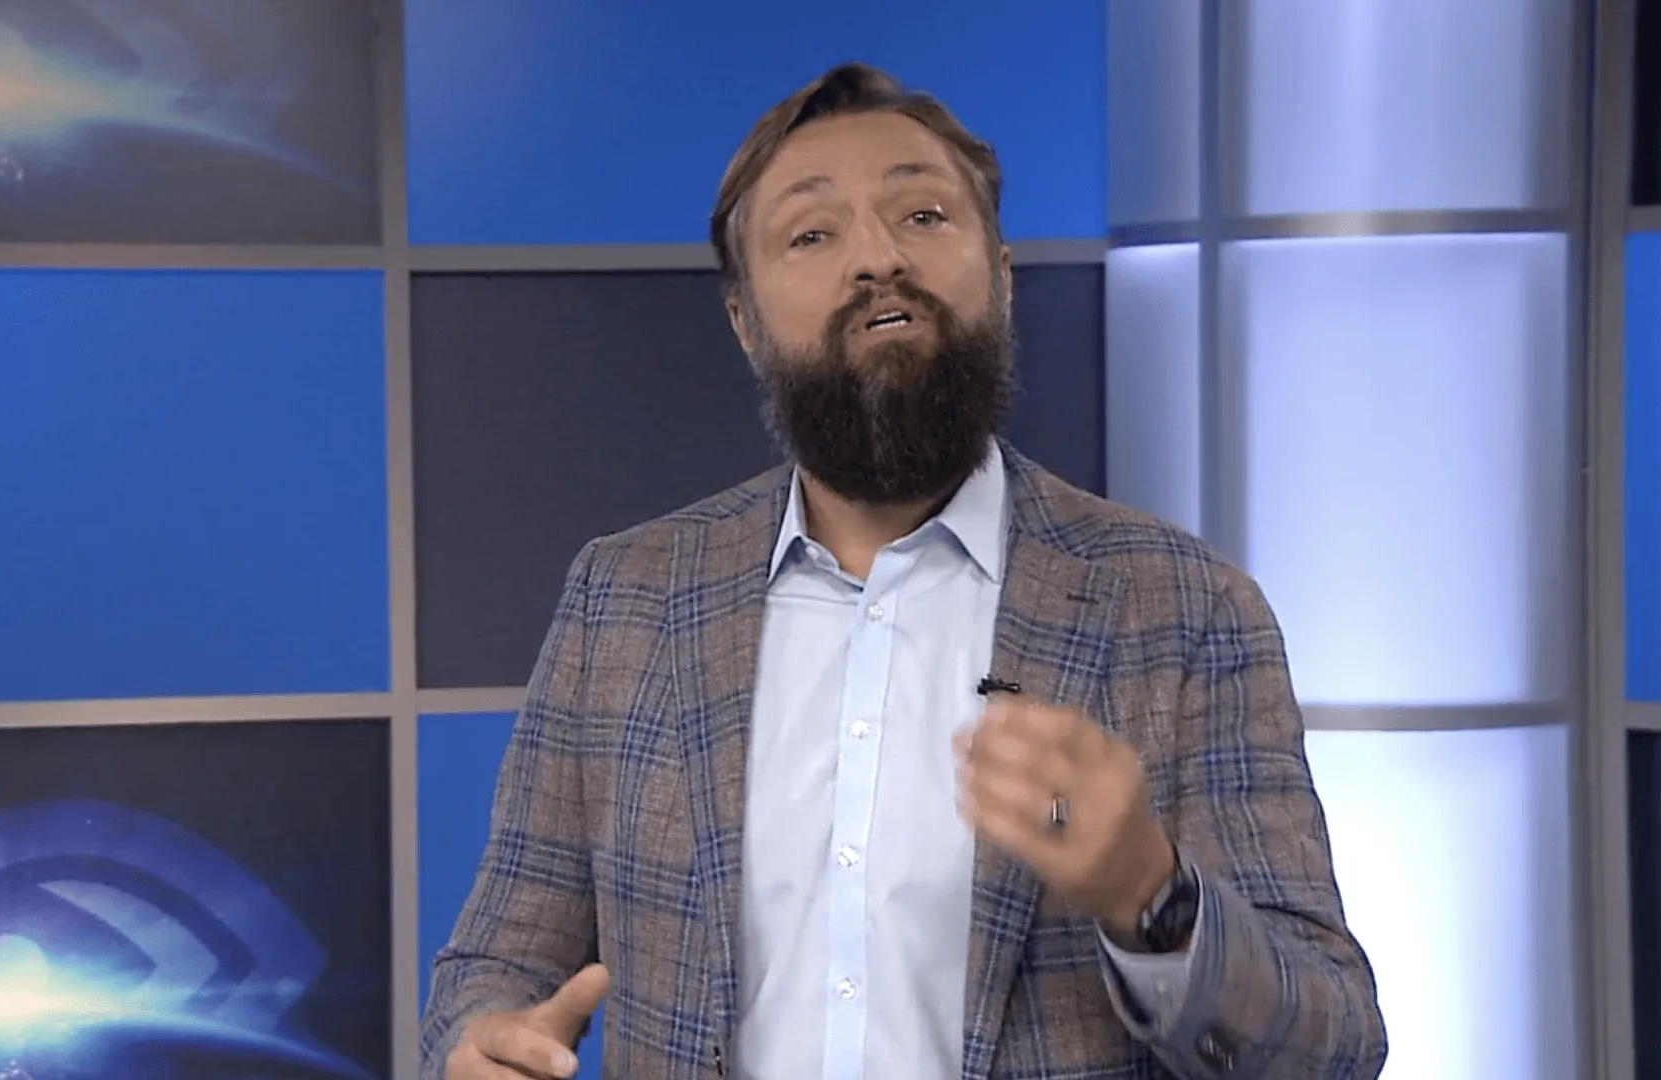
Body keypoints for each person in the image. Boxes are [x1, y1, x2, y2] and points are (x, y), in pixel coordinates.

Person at [420, 62, 1386, 1080]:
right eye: (812, 234)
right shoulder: (624, 600)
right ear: (745, 322)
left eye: (923, 215)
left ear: (1001, 275)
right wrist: (478, 1043)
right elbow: (495, 966)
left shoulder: (1185, 609)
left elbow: (1331, 1048)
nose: (878, 258)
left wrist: (1149, 892)